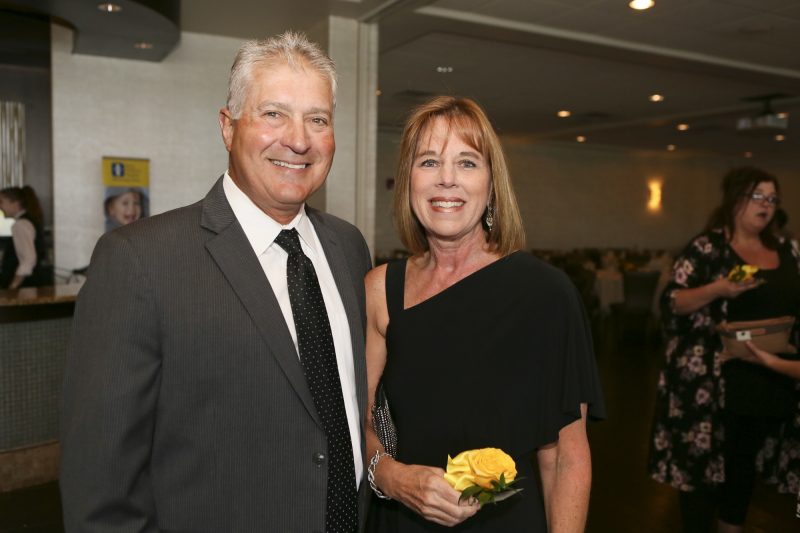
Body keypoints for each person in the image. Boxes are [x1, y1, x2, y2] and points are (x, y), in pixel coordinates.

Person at [60, 31, 372, 532]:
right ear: (228, 127)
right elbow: (101, 486)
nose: (299, 139)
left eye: (318, 119)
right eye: (274, 113)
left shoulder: (349, 248)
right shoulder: (140, 260)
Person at [362, 96, 605, 532]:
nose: (447, 179)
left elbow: (566, 458)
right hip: (401, 520)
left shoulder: (546, 295)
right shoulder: (381, 289)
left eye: (467, 163)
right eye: (429, 162)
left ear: (492, 186)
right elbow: (355, 423)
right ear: (409, 181)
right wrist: (393, 478)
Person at [649, 167, 800, 533]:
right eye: (757, 196)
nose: (766, 205)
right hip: (712, 381)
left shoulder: (786, 250)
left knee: (743, 468)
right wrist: (718, 289)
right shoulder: (707, 248)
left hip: (769, 377)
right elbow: (671, 302)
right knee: (702, 474)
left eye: (772, 199)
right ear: (735, 200)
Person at [0, 185, 52, 289]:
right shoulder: (29, 221)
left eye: (1, 202)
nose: (0, 207)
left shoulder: (21, 225)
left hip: (25, 288)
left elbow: (28, 260)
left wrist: (13, 286)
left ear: (15, 203)